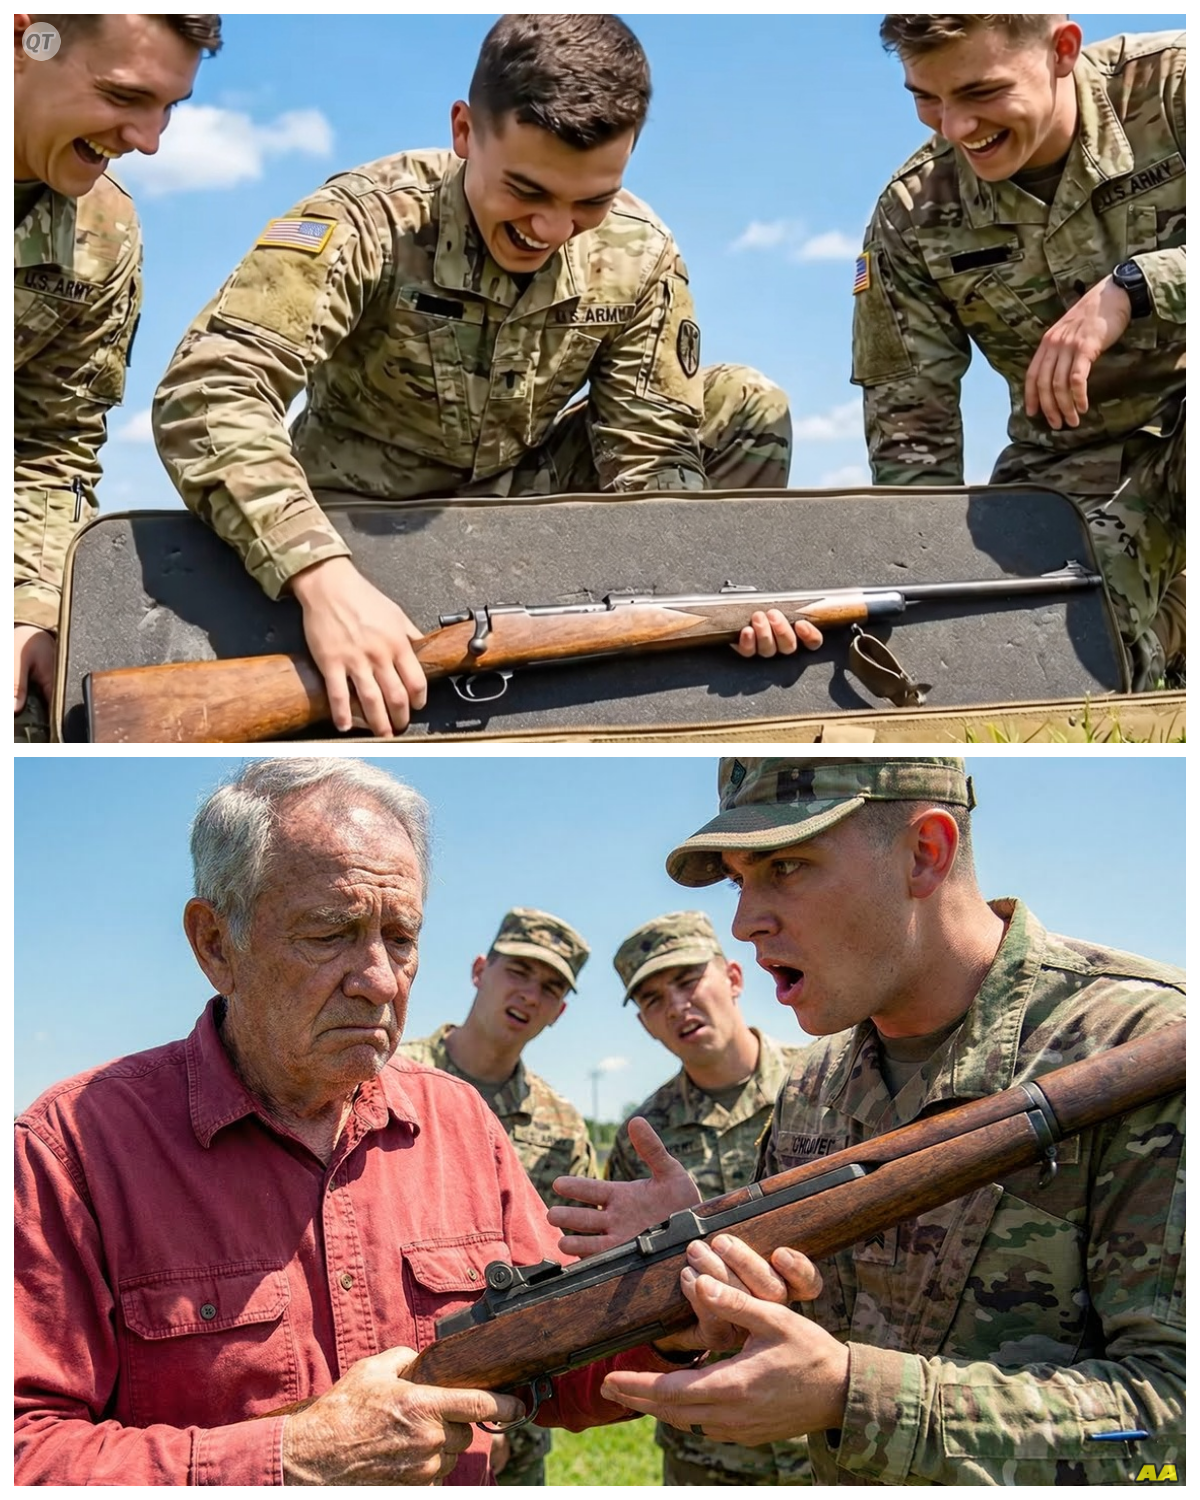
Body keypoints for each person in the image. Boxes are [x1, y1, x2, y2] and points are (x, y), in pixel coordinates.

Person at [14, 759, 695, 1485]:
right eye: (331, 933)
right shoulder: (74, 1149)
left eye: (400, 938)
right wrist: (290, 1460)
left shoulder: (458, 1122)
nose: (378, 979)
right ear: (216, 944)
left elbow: (556, 1363)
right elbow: (25, 1451)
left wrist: (676, 1311)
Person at [151, 13, 812, 741]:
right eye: (527, 190)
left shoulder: (639, 253)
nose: (554, 227)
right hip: (354, 521)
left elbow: (651, 457)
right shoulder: (369, 220)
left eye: (590, 201)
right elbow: (210, 389)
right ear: (465, 132)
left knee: (742, 402)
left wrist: (723, 591)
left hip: (525, 508)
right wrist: (320, 578)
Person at [549, 756, 1185, 1484]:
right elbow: (793, 1346)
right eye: (738, 878)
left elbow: (1173, 1415)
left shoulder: (1144, 1051)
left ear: (925, 854)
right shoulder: (814, 1085)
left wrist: (856, 1396)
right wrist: (706, 1265)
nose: (744, 921)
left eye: (785, 865)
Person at [851, 17, 1186, 690]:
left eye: (980, 92)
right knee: (1024, 665)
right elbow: (912, 440)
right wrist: (923, 602)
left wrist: (1133, 288)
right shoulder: (913, 213)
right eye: (925, 97)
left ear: (1062, 51)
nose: (954, 128)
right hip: (1073, 466)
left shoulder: (1177, 89)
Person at [14, 12, 223, 741]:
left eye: (168, 107)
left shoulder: (104, 235)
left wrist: (30, 608)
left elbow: (50, 446)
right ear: (24, 38)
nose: (148, 140)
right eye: (123, 95)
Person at [399, 906, 600, 1486]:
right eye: (518, 971)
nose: (530, 995)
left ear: (560, 1012)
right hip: (389, 1381)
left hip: (515, 1402)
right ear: (479, 970)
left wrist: (501, 1418)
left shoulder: (560, 1126)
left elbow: (565, 1281)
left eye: (550, 987)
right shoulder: (387, 1075)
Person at [608, 909, 809, 1486]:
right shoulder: (643, 1140)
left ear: (734, 978)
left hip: (828, 1421)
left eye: (686, 980)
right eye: (651, 999)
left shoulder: (827, 1082)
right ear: (646, 1024)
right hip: (711, 1439)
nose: (675, 1006)